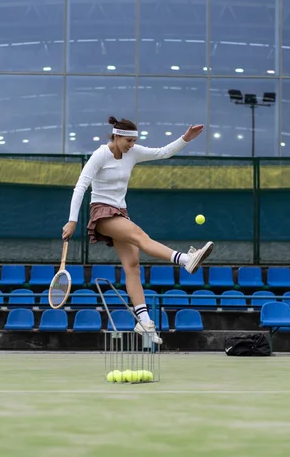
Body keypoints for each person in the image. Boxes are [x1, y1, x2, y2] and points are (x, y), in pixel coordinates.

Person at [62, 116, 214, 344]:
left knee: (133, 266)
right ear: (117, 136)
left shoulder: (132, 152)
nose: (132, 145)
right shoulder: (100, 154)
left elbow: (163, 152)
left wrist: (185, 139)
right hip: (102, 212)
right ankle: (185, 259)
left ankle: (143, 321)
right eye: (128, 141)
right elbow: (80, 187)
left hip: (121, 212)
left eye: (134, 141)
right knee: (141, 237)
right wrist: (72, 220)